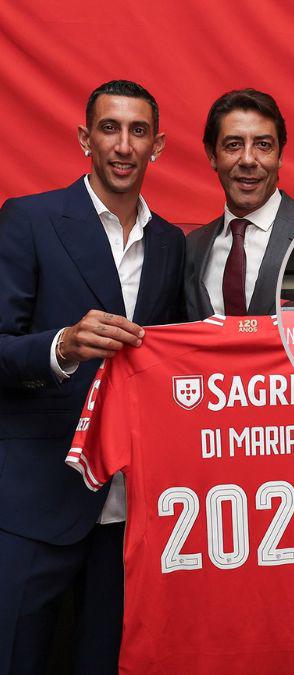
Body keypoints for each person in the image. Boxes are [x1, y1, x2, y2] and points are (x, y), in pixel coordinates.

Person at [0, 80, 185, 674]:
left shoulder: (170, 244)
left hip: (131, 508)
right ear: (85, 138)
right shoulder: (28, 220)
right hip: (35, 500)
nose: (123, 146)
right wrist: (62, 345)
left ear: (157, 146)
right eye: (109, 129)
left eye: (138, 131)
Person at [184, 89, 294, 319]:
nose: (247, 160)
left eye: (263, 145)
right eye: (233, 145)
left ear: (280, 155)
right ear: (212, 155)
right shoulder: (190, 248)